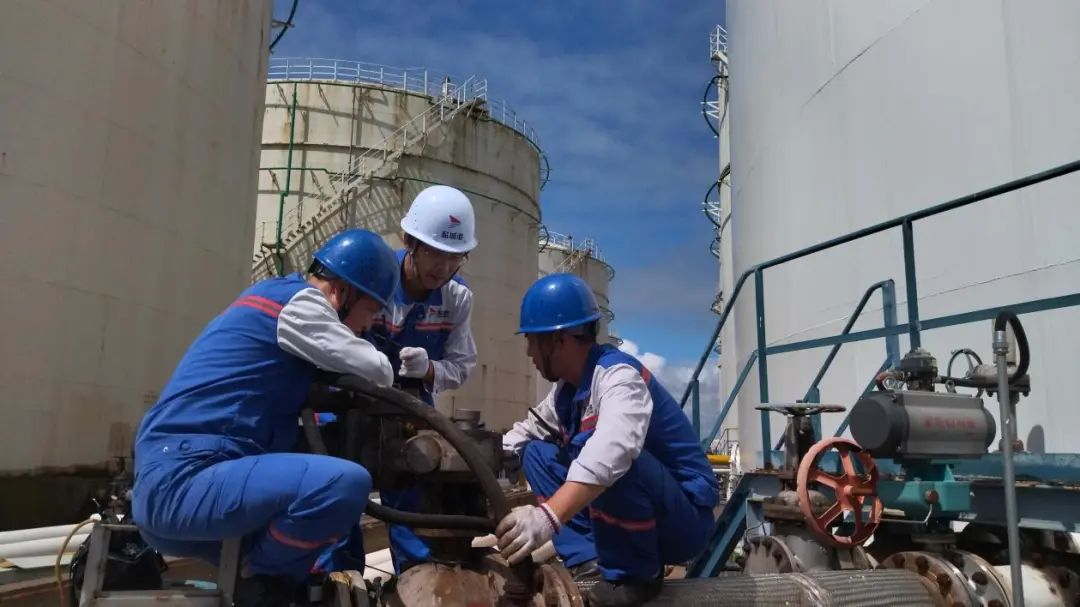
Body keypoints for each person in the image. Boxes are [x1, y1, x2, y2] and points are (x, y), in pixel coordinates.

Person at [132, 229, 399, 606]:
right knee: (345, 484)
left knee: (293, 549)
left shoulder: (270, 298)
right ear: (342, 292)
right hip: (186, 482)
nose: (367, 326)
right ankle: (263, 586)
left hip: (174, 488)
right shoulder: (300, 304)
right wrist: (400, 367)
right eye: (370, 311)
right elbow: (373, 369)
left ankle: (269, 583)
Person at [497, 274, 719, 606]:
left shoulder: (619, 377)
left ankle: (637, 576)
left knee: (616, 460)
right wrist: (478, 456)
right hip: (643, 513)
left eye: (532, 340)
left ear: (558, 340)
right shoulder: (566, 393)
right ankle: (588, 560)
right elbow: (522, 434)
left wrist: (548, 516)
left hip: (681, 523)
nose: (529, 353)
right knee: (536, 453)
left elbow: (614, 448)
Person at [366, 184, 479, 573]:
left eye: (455, 257)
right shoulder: (374, 275)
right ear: (409, 241)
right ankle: (338, 583)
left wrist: (429, 369)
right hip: (350, 400)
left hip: (411, 407)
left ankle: (414, 583)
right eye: (434, 253)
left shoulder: (457, 297)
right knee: (340, 490)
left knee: (415, 498)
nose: (443, 268)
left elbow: (461, 365)